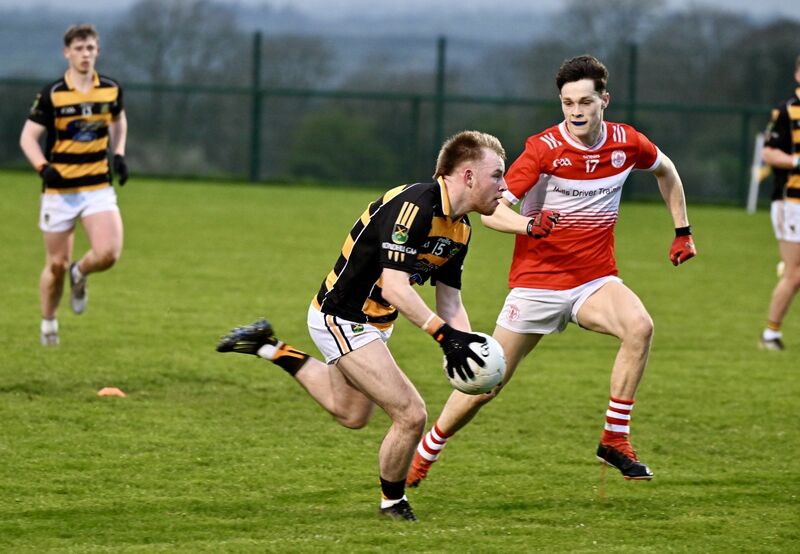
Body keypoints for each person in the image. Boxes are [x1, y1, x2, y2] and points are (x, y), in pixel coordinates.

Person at [407, 55, 696, 487]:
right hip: (537, 285)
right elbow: (492, 212)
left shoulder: (627, 142)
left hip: (595, 280)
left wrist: (682, 230)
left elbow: (666, 171)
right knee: (487, 383)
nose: (576, 111)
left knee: (640, 327)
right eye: (567, 103)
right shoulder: (543, 149)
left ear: (605, 100)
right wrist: (528, 225)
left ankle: (615, 438)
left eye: (585, 102)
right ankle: (426, 451)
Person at [216, 131, 515, 522]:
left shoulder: (460, 229)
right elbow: (395, 287)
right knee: (411, 414)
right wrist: (446, 337)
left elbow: (450, 303)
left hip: (376, 321)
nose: (504, 186)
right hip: (341, 316)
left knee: (351, 414)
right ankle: (393, 503)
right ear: (469, 176)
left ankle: (268, 346)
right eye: (497, 175)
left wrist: (472, 351)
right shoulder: (414, 207)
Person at [19, 24, 129, 346]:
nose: (85, 54)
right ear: (66, 53)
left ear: (98, 52)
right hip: (60, 192)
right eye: (79, 49)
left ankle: (80, 272)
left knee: (108, 253)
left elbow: (118, 120)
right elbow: (27, 138)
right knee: (56, 265)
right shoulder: (52, 94)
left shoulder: (110, 89)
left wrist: (119, 154)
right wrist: (43, 167)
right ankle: (49, 325)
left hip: (97, 186)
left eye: (90, 48)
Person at [758, 54, 800, 351]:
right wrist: (796, 161)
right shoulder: (786, 111)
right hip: (791, 203)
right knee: (794, 274)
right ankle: (770, 335)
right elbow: (769, 153)